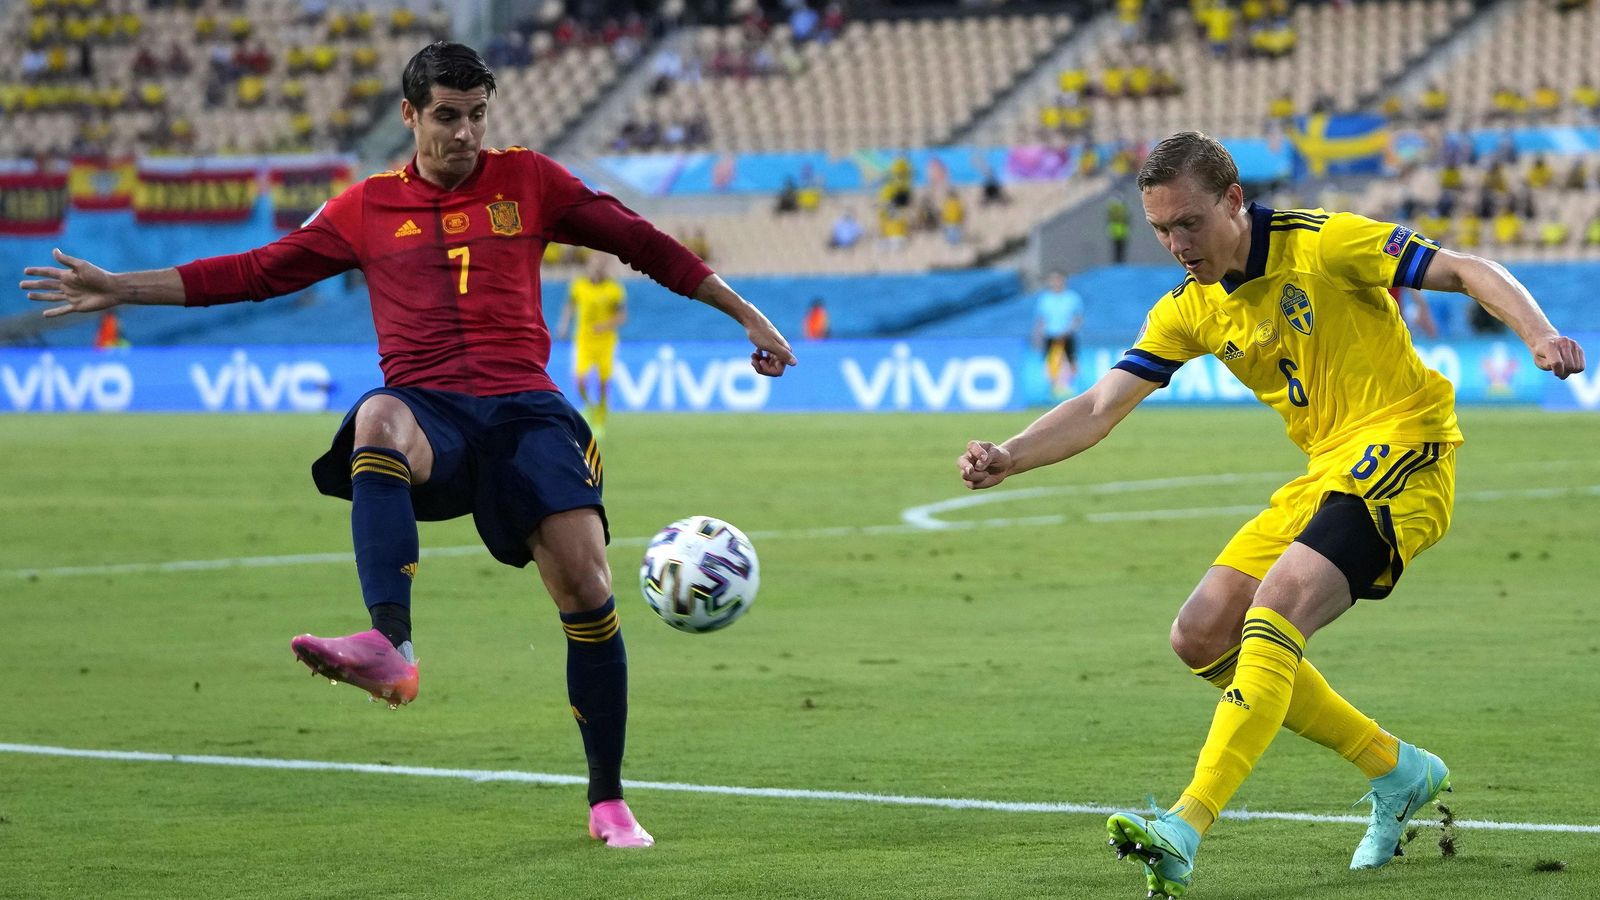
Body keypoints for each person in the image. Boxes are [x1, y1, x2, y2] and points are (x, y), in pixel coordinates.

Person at [20, 41, 796, 851]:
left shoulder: (531, 180)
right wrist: (123, 288)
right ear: (410, 115)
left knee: (587, 593)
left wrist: (745, 313)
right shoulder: (364, 207)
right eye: (447, 117)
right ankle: (391, 644)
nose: (465, 134)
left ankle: (608, 800)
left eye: (477, 116)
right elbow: (255, 271)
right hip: (431, 413)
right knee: (376, 419)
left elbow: (641, 241)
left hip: (526, 411)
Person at [957, 131, 1583, 898]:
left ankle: (1184, 826)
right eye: (1160, 229)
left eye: (1188, 223)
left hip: (1406, 447)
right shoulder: (1191, 307)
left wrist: (1537, 332)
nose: (1176, 244)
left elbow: (1461, 267)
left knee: (1276, 605)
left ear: (1233, 201)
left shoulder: (1325, 244)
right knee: (1201, 632)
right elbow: (1098, 403)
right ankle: (1397, 769)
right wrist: (1011, 455)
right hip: (1326, 473)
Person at [556, 253, 627, 438]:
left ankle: (600, 420)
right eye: (594, 264)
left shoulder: (614, 289)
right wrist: (563, 324)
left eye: (601, 264)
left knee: (604, 383)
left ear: (606, 267)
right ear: (588, 265)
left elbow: (622, 316)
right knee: (580, 379)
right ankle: (589, 405)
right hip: (583, 340)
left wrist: (604, 326)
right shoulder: (579, 285)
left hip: (606, 342)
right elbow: (570, 306)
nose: (597, 268)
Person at [1031, 271, 1084, 397]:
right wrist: (1037, 336)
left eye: (1058, 279)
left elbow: (1078, 318)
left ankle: (1074, 388)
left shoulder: (1072, 297)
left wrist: (1069, 329)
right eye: (1053, 280)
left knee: (1072, 361)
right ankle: (1052, 391)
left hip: (1067, 335)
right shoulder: (1045, 299)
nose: (1056, 283)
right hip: (1050, 335)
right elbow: (1041, 320)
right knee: (1050, 363)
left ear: (1063, 280)